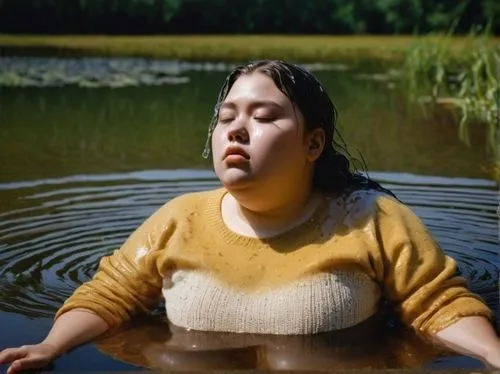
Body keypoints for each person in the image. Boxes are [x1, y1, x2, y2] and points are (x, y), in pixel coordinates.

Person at [0, 60, 498, 373]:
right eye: (226, 117)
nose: (237, 130)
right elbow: (111, 294)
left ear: (313, 144)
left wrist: (492, 354)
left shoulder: (370, 219)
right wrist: (51, 347)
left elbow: (436, 303)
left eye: (263, 117)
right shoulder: (178, 219)